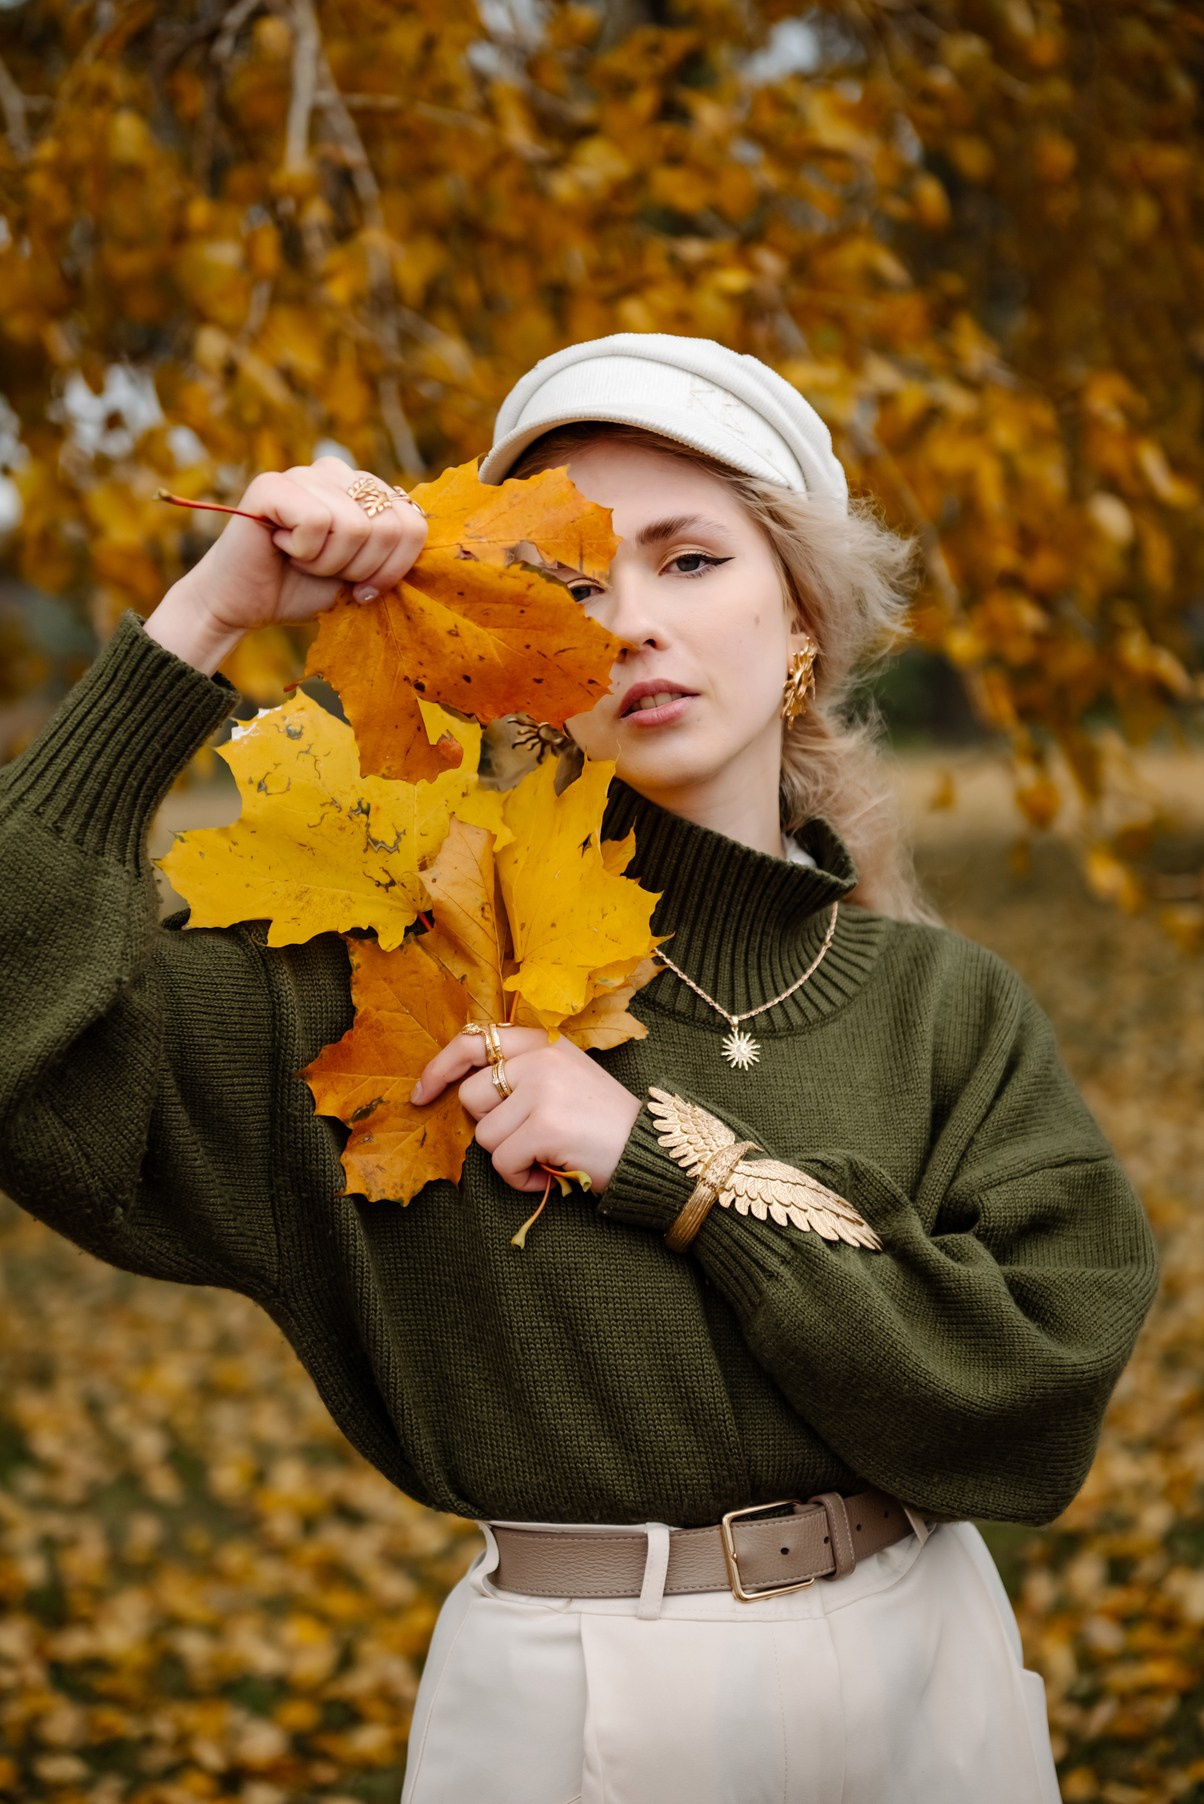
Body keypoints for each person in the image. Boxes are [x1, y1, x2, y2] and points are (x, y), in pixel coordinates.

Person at [0, 333, 1158, 1804]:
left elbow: (1035, 1393)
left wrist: (661, 1164)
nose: (636, 626)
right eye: (575, 585)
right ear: (518, 662)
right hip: (572, 1712)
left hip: (931, 1677)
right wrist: (210, 614)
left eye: (691, 561)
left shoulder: (947, 1010)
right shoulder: (387, 989)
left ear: (799, 613)